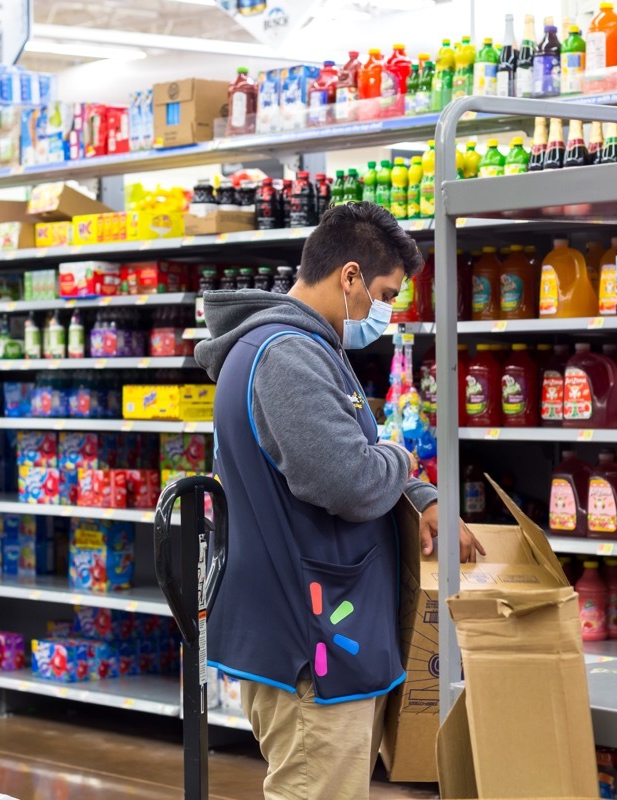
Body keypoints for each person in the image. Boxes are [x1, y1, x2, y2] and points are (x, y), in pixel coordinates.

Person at [194, 201, 483, 800]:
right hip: (308, 644)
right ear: (350, 276)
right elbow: (349, 479)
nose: (386, 310)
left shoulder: (308, 348)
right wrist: (402, 458)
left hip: (328, 631)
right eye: (386, 293)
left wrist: (417, 493)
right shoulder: (286, 356)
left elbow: (349, 451)